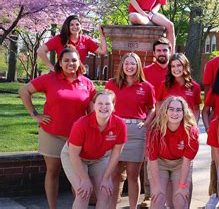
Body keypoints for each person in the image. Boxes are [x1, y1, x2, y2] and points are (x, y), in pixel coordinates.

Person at [19, 45, 96, 209]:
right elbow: (24, 91)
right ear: (60, 63)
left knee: (77, 174)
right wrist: (35, 114)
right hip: (52, 133)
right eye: (66, 60)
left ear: (79, 62)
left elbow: (91, 112)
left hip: (76, 137)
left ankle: (78, 206)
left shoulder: (87, 83)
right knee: (53, 171)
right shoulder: (50, 79)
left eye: (74, 60)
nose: (70, 63)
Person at [105, 52, 156, 209]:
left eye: (133, 63)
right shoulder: (112, 84)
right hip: (115, 131)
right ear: (122, 65)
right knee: (115, 174)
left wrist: (146, 123)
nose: (129, 66)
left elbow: (152, 108)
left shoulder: (146, 86)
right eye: (126, 63)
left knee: (133, 175)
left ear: (138, 66)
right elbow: (104, 105)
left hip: (136, 132)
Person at [60, 89, 127, 209]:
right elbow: (73, 154)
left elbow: (116, 154)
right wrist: (84, 179)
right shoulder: (81, 124)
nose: (103, 107)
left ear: (113, 106)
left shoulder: (120, 124)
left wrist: (106, 178)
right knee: (83, 193)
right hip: (75, 157)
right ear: (94, 105)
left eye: (108, 104)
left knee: (105, 192)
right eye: (100, 103)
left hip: (99, 158)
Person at [147, 96, 199, 209]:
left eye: (179, 110)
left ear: (184, 112)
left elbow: (186, 162)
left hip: (180, 164)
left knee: (180, 200)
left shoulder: (191, 131)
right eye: (171, 109)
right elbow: (152, 159)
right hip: (160, 163)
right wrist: (156, 186)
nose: (174, 113)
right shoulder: (155, 129)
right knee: (158, 199)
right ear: (165, 111)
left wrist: (182, 186)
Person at [141, 37, 171, 207]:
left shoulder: (175, 70)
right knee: (150, 158)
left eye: (164, 50)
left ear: (169, 51)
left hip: (173, 120)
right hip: (152, 119)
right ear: (154, 53)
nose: (162, 53)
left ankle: (167, 192)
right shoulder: (145, 71)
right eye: (158, 50)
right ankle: (148, 195)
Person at [37, 15, 107, 71]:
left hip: (78, 76)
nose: (75, 27)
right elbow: (40, 51)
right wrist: (52, 68)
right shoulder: (59, 39)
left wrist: (101, 35)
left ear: (80, 26)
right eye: (71, 25)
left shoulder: (86, 40)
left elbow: (103, 51)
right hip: (61, 76)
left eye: (77, 24)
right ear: (67, 26)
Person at [155, 53, 202, 122]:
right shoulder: (165, 85)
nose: (176, 69)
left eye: (179, 65)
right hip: (168, 125)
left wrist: (194, 124)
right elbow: (159, 103)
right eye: (173, 66)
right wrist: (160, 121)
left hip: (186, 126)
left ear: (185, 66)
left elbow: (196, 109)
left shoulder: (195, 87)